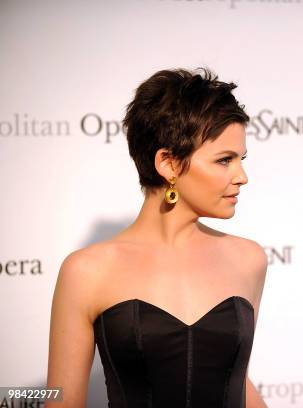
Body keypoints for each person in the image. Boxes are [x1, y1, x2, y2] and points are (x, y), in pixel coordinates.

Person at [46, 67, 268, 407]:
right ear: (168, 164)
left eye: (241, 159)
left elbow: (237, 382)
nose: (242, 176)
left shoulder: (248, 259)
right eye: (225, 160)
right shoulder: (86, 271)